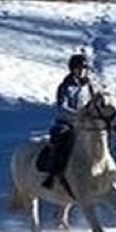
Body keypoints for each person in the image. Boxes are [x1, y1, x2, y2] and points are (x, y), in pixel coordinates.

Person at [43, 53, 95, 189]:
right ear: (72, 69)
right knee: (61, 139)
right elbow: (62, 106)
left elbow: (92, 102)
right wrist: (77, 115)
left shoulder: (88, 85)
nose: (82, 71)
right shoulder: (65, 86)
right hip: (66, 122)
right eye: (79, 68)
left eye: (85, 68)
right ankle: (53, 174)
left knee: (101, 136)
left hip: (85, 123)